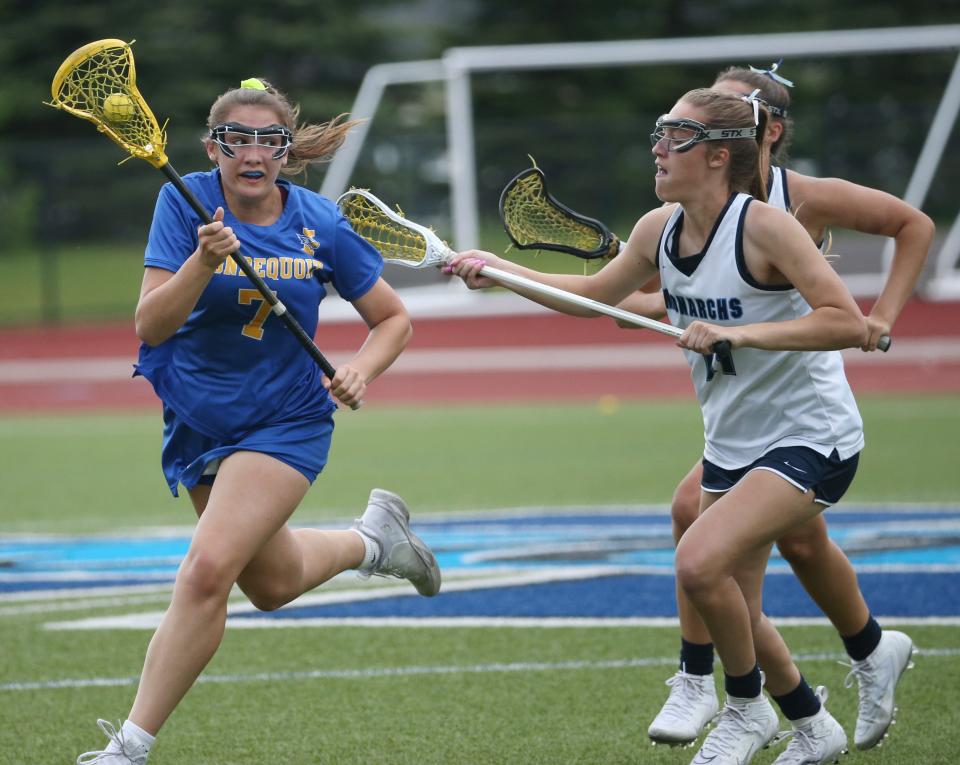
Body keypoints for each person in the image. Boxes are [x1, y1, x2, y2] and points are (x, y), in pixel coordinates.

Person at [448, 87, 874, 765]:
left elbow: (847, 322)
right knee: (730, 593)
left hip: (810, 435)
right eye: (660, 133)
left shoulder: (766, 226)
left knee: (699, 563)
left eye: (674, 136)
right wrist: (501, 272)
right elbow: (592, 300)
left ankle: (744, 708)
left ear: (714, 155)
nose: (658, 148)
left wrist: (738, 332)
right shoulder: (658, 229)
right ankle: (812, 723)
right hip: (733, 440)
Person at [76, 78, 441, 765]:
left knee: (207, 569)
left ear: (285, 151)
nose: (252, 152)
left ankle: (128, 748)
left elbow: (393, 319)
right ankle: (374, 542)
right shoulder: (182, 202)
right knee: (269, 585)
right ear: (214, 148)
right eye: (236, 139)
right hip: (197, 417)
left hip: (285, 420)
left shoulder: (320, 222)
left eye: (267, 140)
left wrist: (361, 369)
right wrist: (201, 260)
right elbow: (149, 324)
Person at [615, 63, 928, 754]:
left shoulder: (792, 204)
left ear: (760, 133)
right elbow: (671, 298)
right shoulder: (676, 219)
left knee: (710, 554)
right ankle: (833, 692)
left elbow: (910, 226)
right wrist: (638, 295)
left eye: (699, 121)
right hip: (739, 424)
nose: (664, 142)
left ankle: (715, 684)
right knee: (757, 563)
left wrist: (882, 315)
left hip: (802, 421)